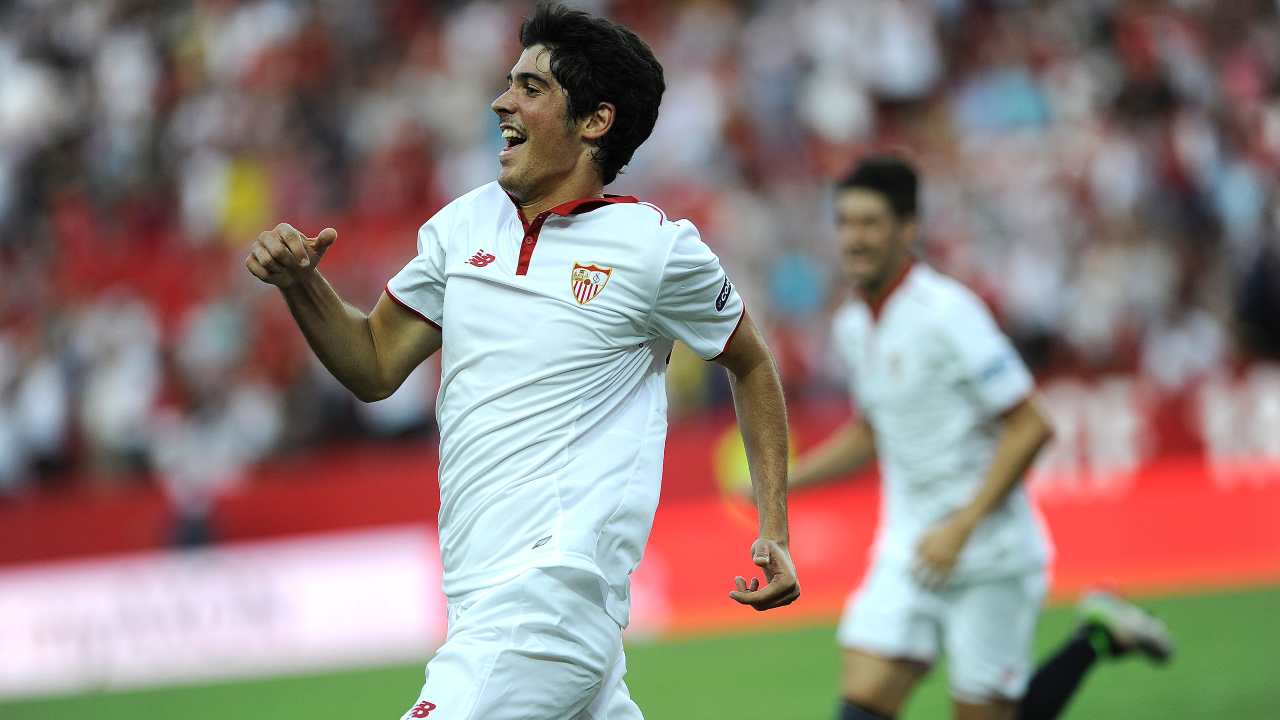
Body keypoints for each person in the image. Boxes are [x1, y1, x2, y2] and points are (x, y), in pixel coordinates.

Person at [244, 3, 798, 718]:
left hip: (549, 596)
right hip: (483, 599)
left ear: (595, 122)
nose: (502, 100)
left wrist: (774, 530)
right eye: (510, 83)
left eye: (532, 88)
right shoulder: (461, 224)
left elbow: (751, 364)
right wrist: (301, 284)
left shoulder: (654, 248)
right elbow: (374, 364)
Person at [789, 155, 1171, 720]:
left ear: (908, 228)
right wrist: (787, 481)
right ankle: (1097, 633)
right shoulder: (852, 326)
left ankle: (1095, 636)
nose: (854, 238)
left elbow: (1032, 424)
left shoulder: (948, 312)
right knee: (862, 705)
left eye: (870, 223)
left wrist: (962, 526)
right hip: (908, 547)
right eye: (845, 222)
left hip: (988, 550)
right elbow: (873, 431)